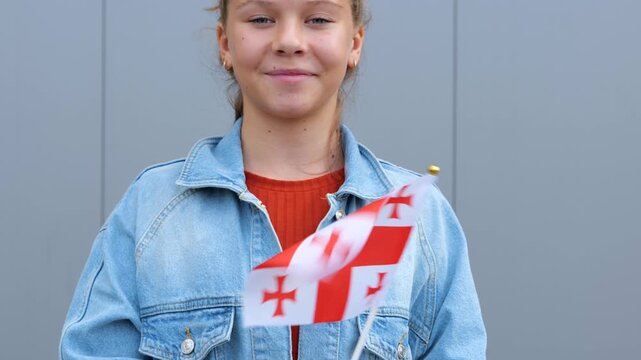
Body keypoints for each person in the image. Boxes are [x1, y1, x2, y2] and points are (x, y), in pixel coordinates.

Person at [59, 0, 486, 359]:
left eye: (318, 18)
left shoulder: (416, 219)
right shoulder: (150, 210)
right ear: (225, 42)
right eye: (261, 18)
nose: (289, 41)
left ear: (354, 42)